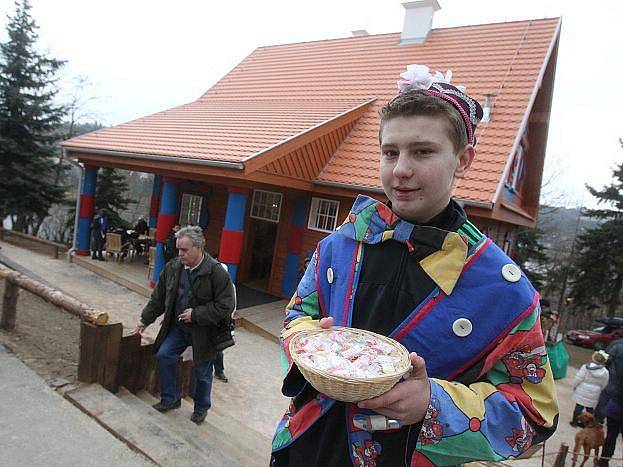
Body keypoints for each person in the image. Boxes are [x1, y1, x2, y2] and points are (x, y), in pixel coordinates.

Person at [271, 64, 558, 466]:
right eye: (391, 152)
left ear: (463, 160)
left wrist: (433, 402)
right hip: (303, 449)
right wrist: (307, 341)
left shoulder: (504, 290)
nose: (401, 169)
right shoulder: (341, 244)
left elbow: (534, 414)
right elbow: (297, 315)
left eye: (423, 151)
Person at [133, 225, 235, 425]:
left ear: (198, 248)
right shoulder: (173, 267)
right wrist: (144, 320)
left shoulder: (216, 272)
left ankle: (201, 408)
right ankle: (170, 399)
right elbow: (158, 298)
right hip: (178, 328)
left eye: (184, 250)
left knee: (202, 371)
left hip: (205, 332)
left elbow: (226, 305)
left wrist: (197, 314)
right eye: (178, 249)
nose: (179, 253)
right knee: (164, 355)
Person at [598, 344, 623, 466]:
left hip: (615, 401)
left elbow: (606, 360)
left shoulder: (617, 346)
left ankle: (603, 461)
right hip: (617, 403)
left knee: (611, 436)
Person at [571, 350, 609, 427]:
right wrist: (600, 389)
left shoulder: (586, 367)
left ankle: (575, 422)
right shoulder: (605, 372)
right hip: (595, 391)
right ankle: (589, 423)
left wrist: (575, 385)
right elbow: (605, 383)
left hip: (582, 389)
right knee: (590, 408)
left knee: (579, 406)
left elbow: (579, 377)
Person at [595, 338, 623, 425]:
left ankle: (598, 420)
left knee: (605, 399)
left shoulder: (617, 345)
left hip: (612, 377)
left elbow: (606, 358)